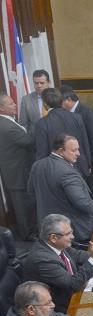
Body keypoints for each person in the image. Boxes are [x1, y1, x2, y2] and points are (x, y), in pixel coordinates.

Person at [22, 214, 93, 314]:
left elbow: (77, 255)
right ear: (53, 238)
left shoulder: (55, 245)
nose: (73, 237)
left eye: (71, 232)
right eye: (68, 234)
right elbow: (74, 284)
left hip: (75, 294)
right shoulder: (43, 260)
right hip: (61, 308)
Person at [27, 133, 93, 245]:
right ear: (61, 151)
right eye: (74, 150)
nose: (78, 153)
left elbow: (31, 192)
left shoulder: (37, 165)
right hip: (73, 229)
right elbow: (82, 202)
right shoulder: (67, 173)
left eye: (78, 149)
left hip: (48, 227)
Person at [33, 88, 93, 186]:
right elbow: (84, 142)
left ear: (45, 104)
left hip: (57, 172)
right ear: (61, 100)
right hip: (80, 166)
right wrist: (88, 164)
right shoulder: (77, 117)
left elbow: (42, 152)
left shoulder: (42, 123)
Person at [0, 92, 36, 240]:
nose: (15, 105)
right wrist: (38, 123)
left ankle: (27, 231)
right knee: (23, 207)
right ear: (1, 108)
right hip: (18, 173)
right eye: (11, 103)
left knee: (22, 205)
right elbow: (28, 140)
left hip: (15, 172)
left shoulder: (7, 121)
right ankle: (28, 234)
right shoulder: (7, 126)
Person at [61, 85, 93, 201]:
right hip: (79, 158)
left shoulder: (87, 112)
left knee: (92, 188)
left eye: (61, 102)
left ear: (68, 100)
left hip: (91, 159)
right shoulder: (70, 113)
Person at [17, 69, 51, 133]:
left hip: (56, 136)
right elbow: (23, 123)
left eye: (42, 83)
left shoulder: (57, 96)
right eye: (36, 83)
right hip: (35, 136)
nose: (39, 86)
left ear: (49, 83)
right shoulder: (26, 100)